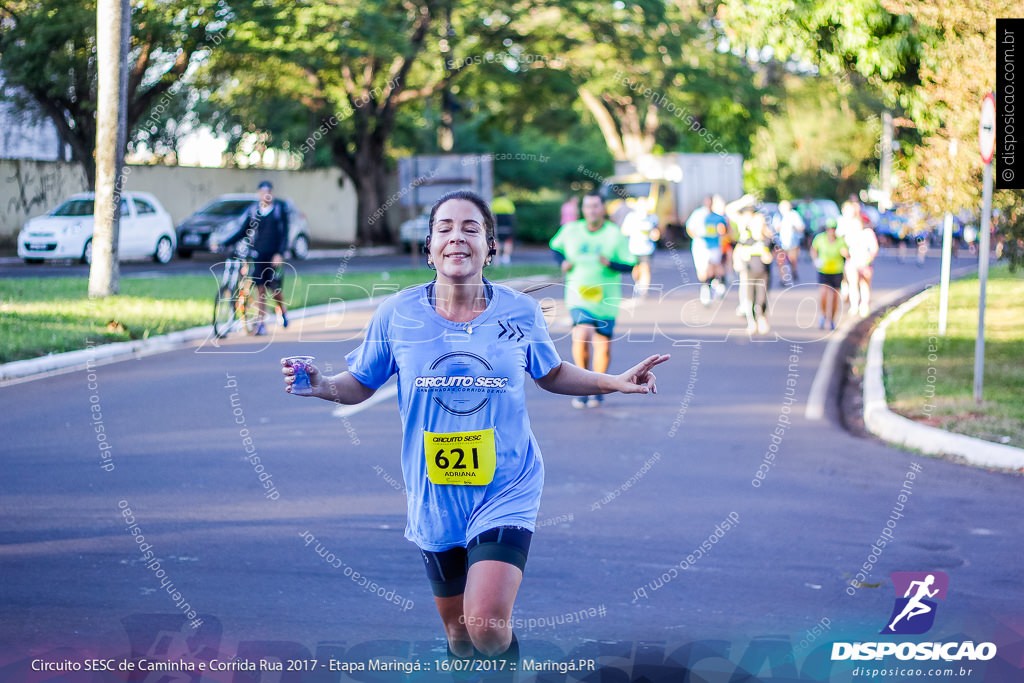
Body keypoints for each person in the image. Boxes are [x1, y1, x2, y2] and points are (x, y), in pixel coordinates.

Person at [282, 190, 669, 673]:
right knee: (459, 634)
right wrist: (321, 386)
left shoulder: (519, 312)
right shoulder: (398, 315)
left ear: (490, 247)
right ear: (429, 248)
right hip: (435, 493)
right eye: (444, 229)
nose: (456, 238)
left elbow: (549, 373)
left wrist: (613, 381)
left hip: (507, 484)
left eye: (470, 229)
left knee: (485, 622)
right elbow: (360, 384)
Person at [549, 193, 637, 408]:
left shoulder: (614, 233)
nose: (591, 211)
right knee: (582, 334)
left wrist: (611, 263)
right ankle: (582, 384)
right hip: (578, 296)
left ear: (602, 208)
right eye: (587, 206)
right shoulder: (571, 230)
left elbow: (630, 264)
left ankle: (599, 385)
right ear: (583, 209)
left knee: (603, 347)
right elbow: (554, 247)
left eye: (595, 206)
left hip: (606, 300)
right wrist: (563, 262)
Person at [215, 180, 290, 335]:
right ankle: (261, 323)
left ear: (272, 193)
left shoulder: (278, 211)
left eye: (267, 191)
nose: (265, 195)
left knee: (274, 288)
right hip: (257, 255)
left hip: (273, 256)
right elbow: (243, 231)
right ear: (258, 194)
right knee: (259, 288)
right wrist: (224, 243)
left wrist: (279, 253)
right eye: (262, 192)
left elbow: (284, 235)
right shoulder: (254, 211)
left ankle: (282, 310)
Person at [735, 212, 774, 335]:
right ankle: (751, 322)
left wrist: (768, 256)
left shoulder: (767, 238)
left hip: (763, 272)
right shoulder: (746, 237)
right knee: (749, 297)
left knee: (762, 297)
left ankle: (762, 318)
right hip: (749, 271)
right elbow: (738, 250)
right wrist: (737, 262)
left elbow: (774, 254)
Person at [685, 196, 726, 306]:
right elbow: (689, 227)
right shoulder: (698, 214)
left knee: (712, 268)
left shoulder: (717, 216)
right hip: (701, 245)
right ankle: (706, 286)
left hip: (714, 245)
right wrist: (695, 236)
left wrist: (722, 231)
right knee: (702, 271)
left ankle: (708, 289)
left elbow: (725, 229)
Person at [811, 219, 849, 330]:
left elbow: (846, 254)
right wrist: (815, 260)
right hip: (824, 270)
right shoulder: (820, 239)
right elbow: (813, 249)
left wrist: (845, 253)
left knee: (835, 297)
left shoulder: (841, 241)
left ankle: (831, 319)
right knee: (823, 294)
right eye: (829, 228)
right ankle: (823, 315)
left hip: (836, 271)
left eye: (833, 228)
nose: (831, 231)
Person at [619, 197, 660, 300]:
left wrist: (654, 235)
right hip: (634, 248)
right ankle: (638, 282)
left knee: (645, 268)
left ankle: (643, 290)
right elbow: (624, 231)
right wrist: (633, 231)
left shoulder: (652, 218)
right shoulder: (631, 217)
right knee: (636, 270)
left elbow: (657, 232)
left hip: (647, 249)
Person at [844, 214, 879, 318]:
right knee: (853, 284)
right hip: (852, 262)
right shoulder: (849, 235)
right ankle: (854, 305)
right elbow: (844, 247)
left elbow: (874, 248)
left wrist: (870, 259)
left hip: (865, 263)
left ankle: (864, 305)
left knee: (865, 284)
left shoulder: (868, 233)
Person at [775, 200, 805, 284]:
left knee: (792, 259)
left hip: (792, 241)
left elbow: (801, 227)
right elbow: (774, 228)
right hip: (780, 242)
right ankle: (783, 279)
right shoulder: (778, 216)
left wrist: (793, 228)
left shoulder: (794, 215)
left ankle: (794, 271)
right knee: (781, 261)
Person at [491, 193, 516, 265]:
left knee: (496, 241)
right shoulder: (508, 202)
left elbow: (491, 214)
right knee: (508, 240)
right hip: (508, 224)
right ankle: (506, 258)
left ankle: (496, 258)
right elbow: (513, 214)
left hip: (497, 224)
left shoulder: (494, 202)